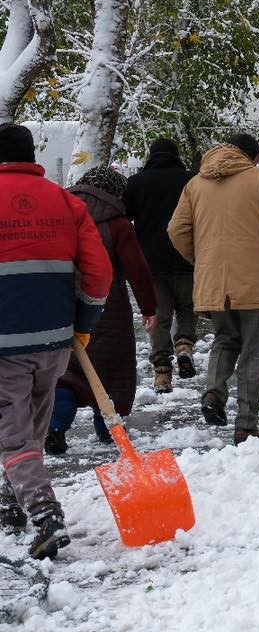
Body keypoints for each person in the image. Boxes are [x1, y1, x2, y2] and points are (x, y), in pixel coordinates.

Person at [0, 123, 113, 560]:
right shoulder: (66, 203)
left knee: (14, 438)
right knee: (30, 430)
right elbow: (98, 274)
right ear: (33, 157)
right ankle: (10, 505)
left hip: (4, 344)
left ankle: (46, 515)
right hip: (54, 340)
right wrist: (84, 322)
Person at [169, 133, 259, 445]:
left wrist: (201, 259)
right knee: (253, 350)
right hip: (252, 280)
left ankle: (213, 396)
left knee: (225, 341)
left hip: (213, 280)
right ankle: (247, 424)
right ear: (252, 157)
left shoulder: (195, 184)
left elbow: (176, 229)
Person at [47, 167, 157, 453]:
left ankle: (55, 428)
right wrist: (149, 306)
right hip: (108, 308)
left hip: (61, 305)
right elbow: (138, 269)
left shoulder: (58, 212)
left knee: (67, 374)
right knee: (112, 371)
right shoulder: (117, 223)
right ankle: (109, 431)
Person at [123, 138, 197, 393]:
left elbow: (125, 218)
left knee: (158, 316)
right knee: (187, 307)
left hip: (150, 262)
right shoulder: (191, 180)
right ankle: (185, 344)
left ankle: (162, 373)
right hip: (186, 256)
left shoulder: (136, 183)